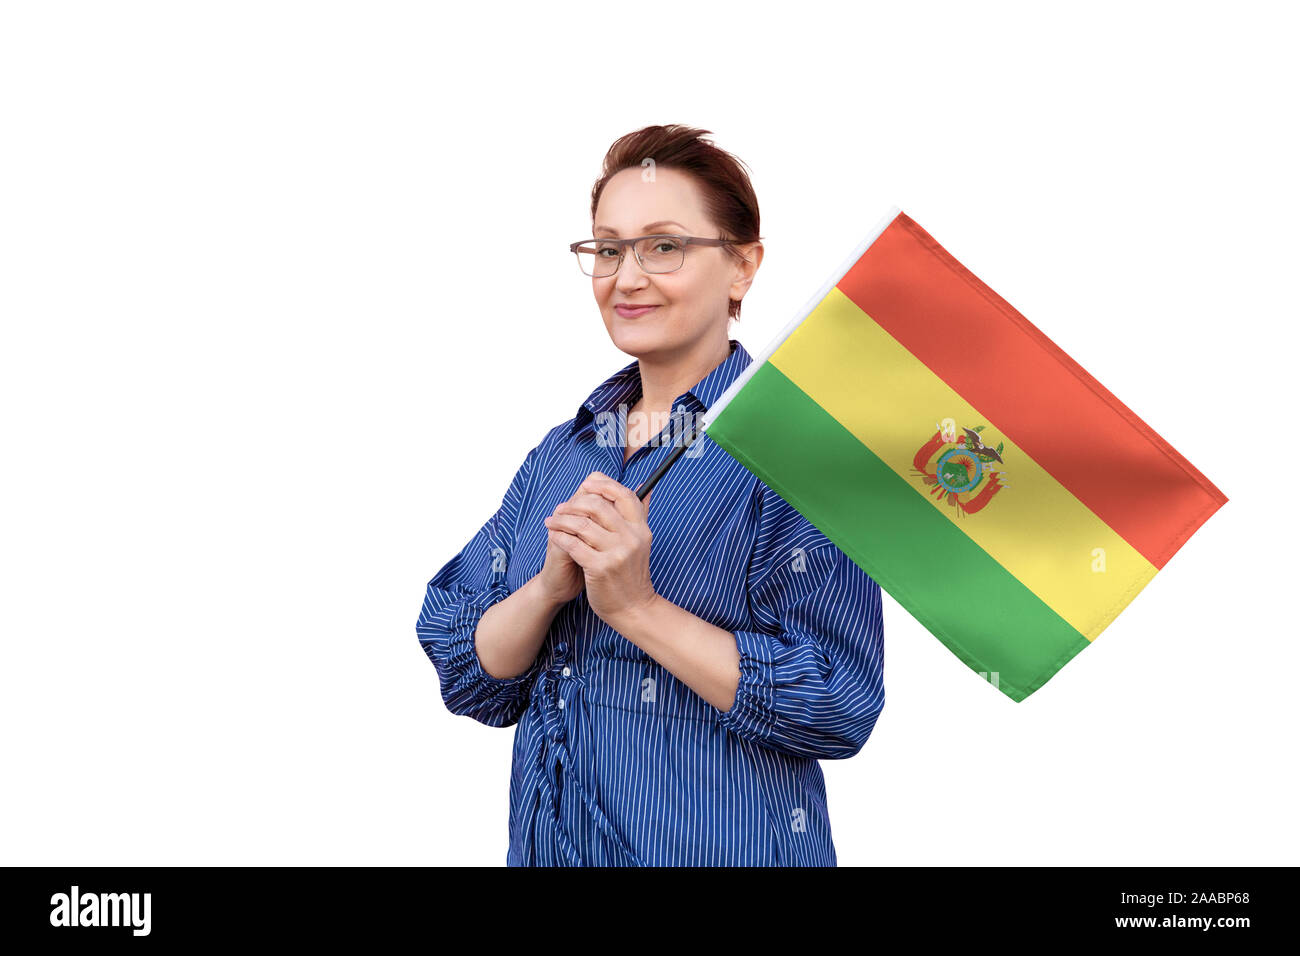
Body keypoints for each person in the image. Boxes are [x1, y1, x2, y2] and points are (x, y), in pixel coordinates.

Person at [415, 124, 884, 866]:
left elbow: (837, 704)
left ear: (742, 267)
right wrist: (544, 591)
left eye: (664, 246)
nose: (626, 277)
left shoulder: (800, 458)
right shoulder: (563, 453)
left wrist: (636, 607)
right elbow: (469, 672)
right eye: (607, 249)